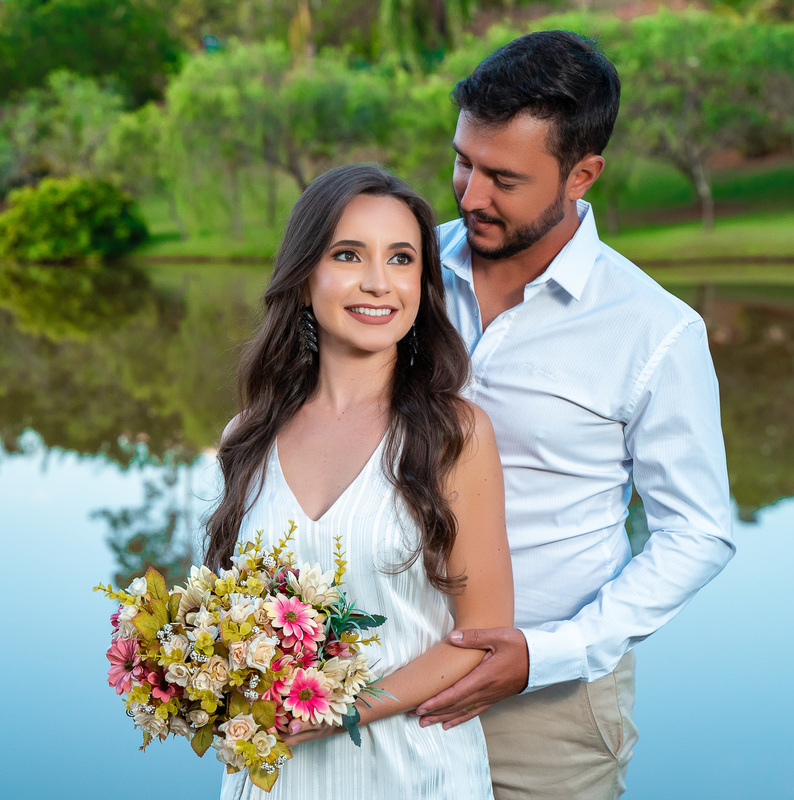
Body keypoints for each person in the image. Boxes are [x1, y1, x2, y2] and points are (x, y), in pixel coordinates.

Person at [411, 31, 736, 799]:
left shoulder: (655, 332)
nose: (468, 194)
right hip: (385, 668)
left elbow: (698, 532)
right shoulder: (403, 273)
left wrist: (553, 651)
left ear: (581, 175)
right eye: (462, 160)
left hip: (546, 710)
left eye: (503, 177)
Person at [203, 163, 515, 800]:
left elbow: (480, 638)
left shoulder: (455, 434)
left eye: (401, 259)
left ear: (421, 285)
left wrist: (336, 712)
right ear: (303, 278)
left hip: (415, 774)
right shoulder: (245, 439)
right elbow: (218, 624)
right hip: (273, 779)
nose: (379, 282)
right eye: (349, 254)